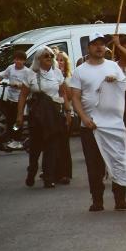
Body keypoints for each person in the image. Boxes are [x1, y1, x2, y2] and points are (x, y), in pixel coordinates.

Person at [68, 32, 126, 211]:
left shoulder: (114, 66)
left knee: (118, 161)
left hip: (114, 124)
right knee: (94, 165)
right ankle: (97, 199)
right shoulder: (80, 71)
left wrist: (115, 80)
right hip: (91, 125)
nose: (99, 47)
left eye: (102, 44)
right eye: (95, 44)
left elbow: (124, 90)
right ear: (89, 48)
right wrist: (84, 118)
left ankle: (120, 198)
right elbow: (75, 97)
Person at [15, 47, 69, 189]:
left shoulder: (57, 73)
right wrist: (19, 115)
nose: (49, 58)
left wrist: (68, 111)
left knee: (51, 146)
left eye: (51, 55)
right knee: (36, 147)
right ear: (39, 59)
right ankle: (32, 170)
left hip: (54, 115)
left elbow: (63, 93)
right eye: (46, 56)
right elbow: (23, 95)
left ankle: (48, 177)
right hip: (37, 117)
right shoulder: (31, 74)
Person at [0, 50, 31, 146]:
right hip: (10, 98)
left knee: (18, 119)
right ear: (14, 60)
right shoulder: (11, 68)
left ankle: (17, 138)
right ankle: (10, 138)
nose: (18, 62)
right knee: (9, 118)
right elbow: (2, 75)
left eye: (20, 60)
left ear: (24, 61)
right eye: (16, 59)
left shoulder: (27, 72)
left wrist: (18, 85)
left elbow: (28, 85)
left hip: (20, 99)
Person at [54, 50, 73, 184]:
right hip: (52, 114)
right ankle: (53, 171)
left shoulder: (68, 78)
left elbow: (71, 96)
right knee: (53, 144)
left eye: (62, 60)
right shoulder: (51, 75)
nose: (59, 62)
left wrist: (62, 81)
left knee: (64, 144)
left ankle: (65, 173)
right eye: (57, 60)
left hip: (66, 112)